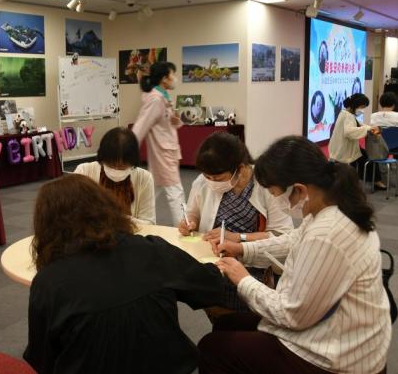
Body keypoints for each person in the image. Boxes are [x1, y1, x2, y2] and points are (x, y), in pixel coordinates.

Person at [198, 136, 391, 374]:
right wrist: (243, 248)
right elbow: (293, 239)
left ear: (298, 189)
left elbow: (289, 314)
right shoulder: (332, 207)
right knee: (226, 324)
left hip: (336, 356)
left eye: (275, 193)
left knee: (211, 347)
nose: (274, 199)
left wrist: (243, 279)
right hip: (332, 329)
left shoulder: (326, 232)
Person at [24, 174, 224, 374]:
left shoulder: (47, 283)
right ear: (105, 207)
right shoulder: (150, 250)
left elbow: (41, 359)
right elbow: (210, 287)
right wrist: (221, 266)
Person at [179, 132, 292, 311]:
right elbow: (192, 213)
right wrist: (189, 222)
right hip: (213, 263)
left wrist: (237, 237)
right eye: (207, 177)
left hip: (254, 267)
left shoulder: (265, 184)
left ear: (240, 168)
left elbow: (282, 236)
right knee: (217, 315)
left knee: (248, 319)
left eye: (218, 178)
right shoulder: (204, 181)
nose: (211, 182)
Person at [132, 61, 185, 227]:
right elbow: (141, 127)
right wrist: (127, 149)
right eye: (172, 74)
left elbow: (165, 123)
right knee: (175, 192)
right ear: (164, 78)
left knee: (151, 191)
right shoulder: (156, 99)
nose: (175, 78)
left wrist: (175, 119)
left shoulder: (164, 96)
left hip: (167, 150)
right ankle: (185, 228)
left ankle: (136, 223)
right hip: (163, 153)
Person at [74, 127, 155, 224]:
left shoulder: (144, 178)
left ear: (132, 161)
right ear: (103, 158)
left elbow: (149, 222)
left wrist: (120, 220)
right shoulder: (84, 172)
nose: (116, 169)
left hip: (130, 235)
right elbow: (72, 213)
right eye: (111, 164)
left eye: (122, 166)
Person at [328, 93, 384, 188]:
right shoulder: (348, 116)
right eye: (362, 107)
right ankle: (374, 181)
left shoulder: (346, 114)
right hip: (343, 148)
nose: (362, 110)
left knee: (365, 157)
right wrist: (368, 129)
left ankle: (374, 180)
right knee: (366, 158)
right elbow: (349, 132)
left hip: (345, 147)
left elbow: (359, 124)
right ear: (355, 105)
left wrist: (369, 128)